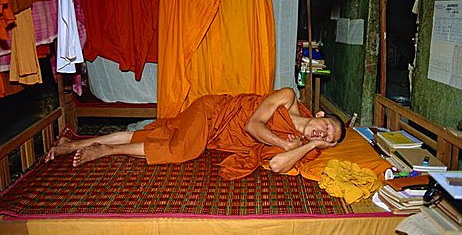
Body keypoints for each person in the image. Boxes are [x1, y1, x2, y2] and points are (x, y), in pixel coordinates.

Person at [46, 87, 346, 179]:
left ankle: (73, 143)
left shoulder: (304, 146)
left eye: (329, 140)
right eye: (328, 128)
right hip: (212, 112)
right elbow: (251, 126)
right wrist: (283, 141)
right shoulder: (288, 97)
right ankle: (106, 150)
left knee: (156, 136)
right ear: (320, 115)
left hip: (214, 138)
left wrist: (307, 147)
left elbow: (280, 165)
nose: (324, 135)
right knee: (180, 150)